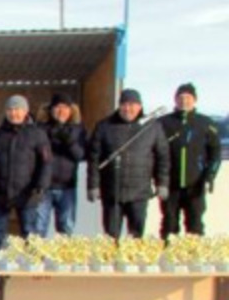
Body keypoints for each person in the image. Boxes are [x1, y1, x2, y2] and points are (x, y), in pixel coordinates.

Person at [0, 95, 50, 284]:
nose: (14, 113)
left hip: (28, 193)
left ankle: (34, 269)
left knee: (30, 233)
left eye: (17, 109)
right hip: (1, 192)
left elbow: (46, 162)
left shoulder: (37, 134)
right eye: (10, 109)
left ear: (25, 111)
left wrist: (41, 184)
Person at [88, 88, 170, 240]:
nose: (128, 109)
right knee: (111, 238)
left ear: (140, 106)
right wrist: (93, 185)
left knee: (136, 237)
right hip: (112, 192)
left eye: (132, 105)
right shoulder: (104, 127)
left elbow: (163, 157)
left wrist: (162, 183)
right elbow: (94, 159)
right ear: (119, 106)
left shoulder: (152, 127)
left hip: (139, 193)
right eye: (124, 104)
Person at [158, 82, 221, 238]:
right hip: (170, 185)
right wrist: (158, 179)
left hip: (195, 185)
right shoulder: (163, 123)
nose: (184, 101)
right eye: (180, 97)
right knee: (169, 225)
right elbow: (154, 153)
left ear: (194, 100)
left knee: (195, 225)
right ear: (175, 100)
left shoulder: (205, 123)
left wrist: (209, 177)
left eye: (188, 97)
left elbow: (215, 153)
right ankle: (168, 253)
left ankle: (193, 253)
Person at [39, 92, 87, 235]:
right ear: (51, 109)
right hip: (44, 187)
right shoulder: (40, 129)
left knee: (66, 229)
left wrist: (68, 140)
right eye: (57, 107)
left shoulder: (78, 130)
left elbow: (81, 156)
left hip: (67, 187)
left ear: (71, 110)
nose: (61, 111)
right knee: (39, 229)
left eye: (65, 107)